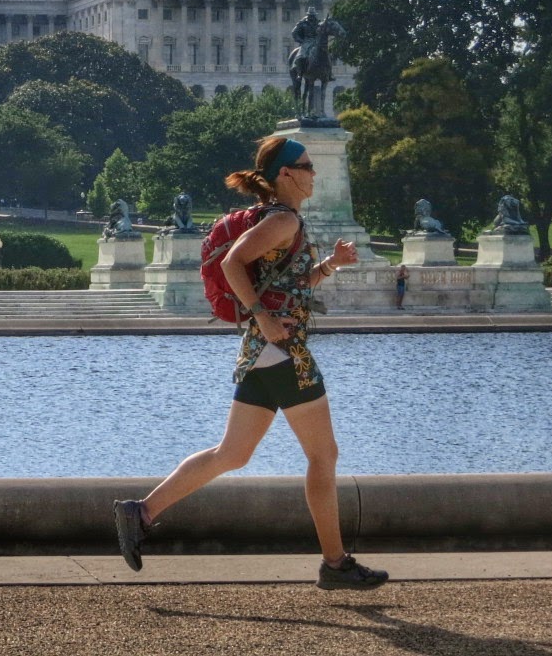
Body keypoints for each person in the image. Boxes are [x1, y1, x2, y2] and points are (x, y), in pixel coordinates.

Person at [112, 135, 390, 591]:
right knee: (323, 456)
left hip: (263, 353)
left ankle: (139, 513)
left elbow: (289, 285)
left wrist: (330, 265)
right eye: (307, 165)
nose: (314, 173)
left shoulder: (279, 218)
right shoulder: (282, 220)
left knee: (232, 454)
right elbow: (232, 264)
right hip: (284, 353)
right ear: (287, 174)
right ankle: (335, 564)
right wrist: (262, 315)